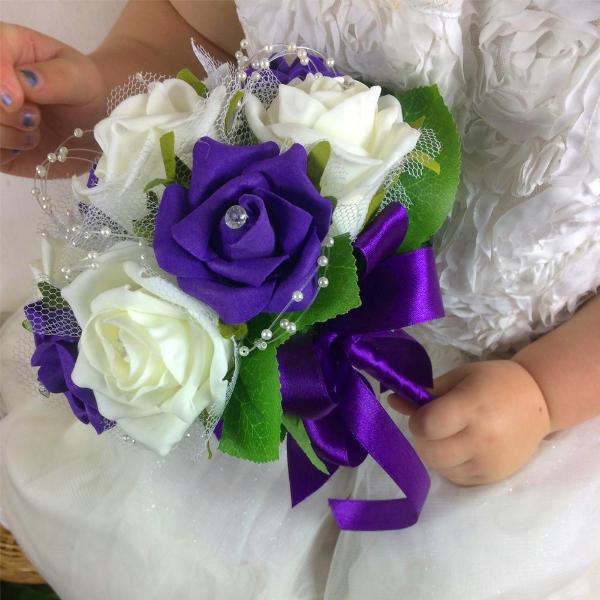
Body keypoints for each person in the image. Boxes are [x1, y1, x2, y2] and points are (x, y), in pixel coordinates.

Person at [1, 1, 599, 598]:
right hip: (266, 335)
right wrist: (99, 105)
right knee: (143, 522)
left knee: (458, 578)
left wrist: (543, 393)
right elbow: (182, 30)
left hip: (532, 381)